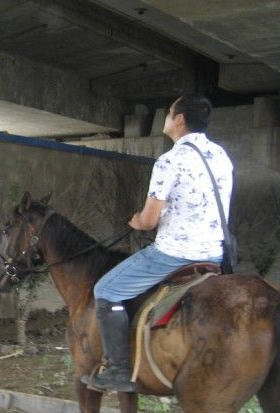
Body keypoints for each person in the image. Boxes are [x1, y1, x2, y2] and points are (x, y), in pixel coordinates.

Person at [88, 94, 233, 393]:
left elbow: (150, 220)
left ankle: (117, 370)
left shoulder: (170, 160)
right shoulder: (221, 155)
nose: (166, 116)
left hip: (175, 253)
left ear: (179, 119)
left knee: (105, 289)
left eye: (169, 112)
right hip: (215, 254)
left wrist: (137, 221)